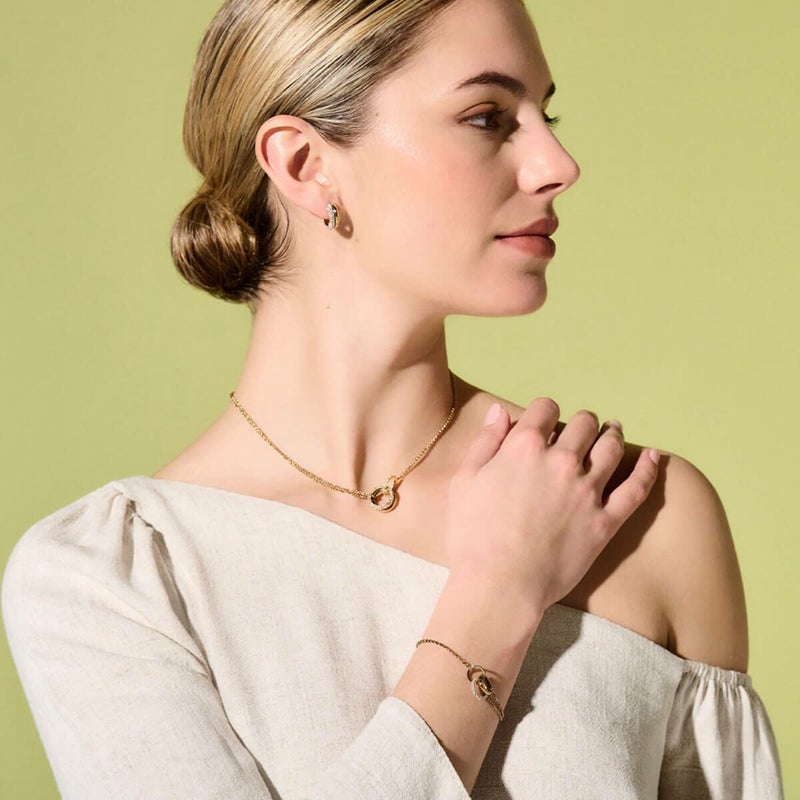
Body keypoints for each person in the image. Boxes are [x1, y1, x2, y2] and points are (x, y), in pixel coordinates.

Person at [1, 0, 784, 797]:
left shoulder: (642, 517)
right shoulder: (113, 578)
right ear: (305, 164)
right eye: (487, 117)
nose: (558, 163)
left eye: (544, 116)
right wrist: (499, 592)